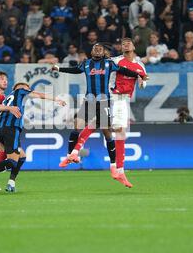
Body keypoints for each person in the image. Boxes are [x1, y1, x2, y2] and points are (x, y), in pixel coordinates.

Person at [52, 43, 147, 186]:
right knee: (77, 125)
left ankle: (113, 166)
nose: (97, 50)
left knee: (107, 133)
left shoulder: (109, 64)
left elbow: (125, 71)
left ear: (103, 53)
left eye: (100, 49)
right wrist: (59, 68)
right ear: (91, 52)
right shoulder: (86, 64)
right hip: (88, 101)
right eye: (95, 48)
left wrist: (139, 75)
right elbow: (74, 70)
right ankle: (70, 156)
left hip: (104, 101)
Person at [0, 82, 66, 193]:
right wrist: (56, 99)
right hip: (11, 129)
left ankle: (11, 183)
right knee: (12, 161)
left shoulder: (7, 99)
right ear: (21, 89)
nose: (29, 90)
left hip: (2, 129)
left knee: (22, 156)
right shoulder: (20, 91)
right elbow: (39, 94)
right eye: (27, 88)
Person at [111, 38, 147, 187]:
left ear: (133, 46)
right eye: (123, 43)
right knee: (118, 132)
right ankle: (117, 169)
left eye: (128, 42)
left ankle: (119, 170)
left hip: (123, 99)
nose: (125, 44)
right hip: (113, 96)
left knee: (119, 133)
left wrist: (141, 82)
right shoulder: (115, 61)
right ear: (121, 48)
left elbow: (144, 82)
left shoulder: (139, 65)